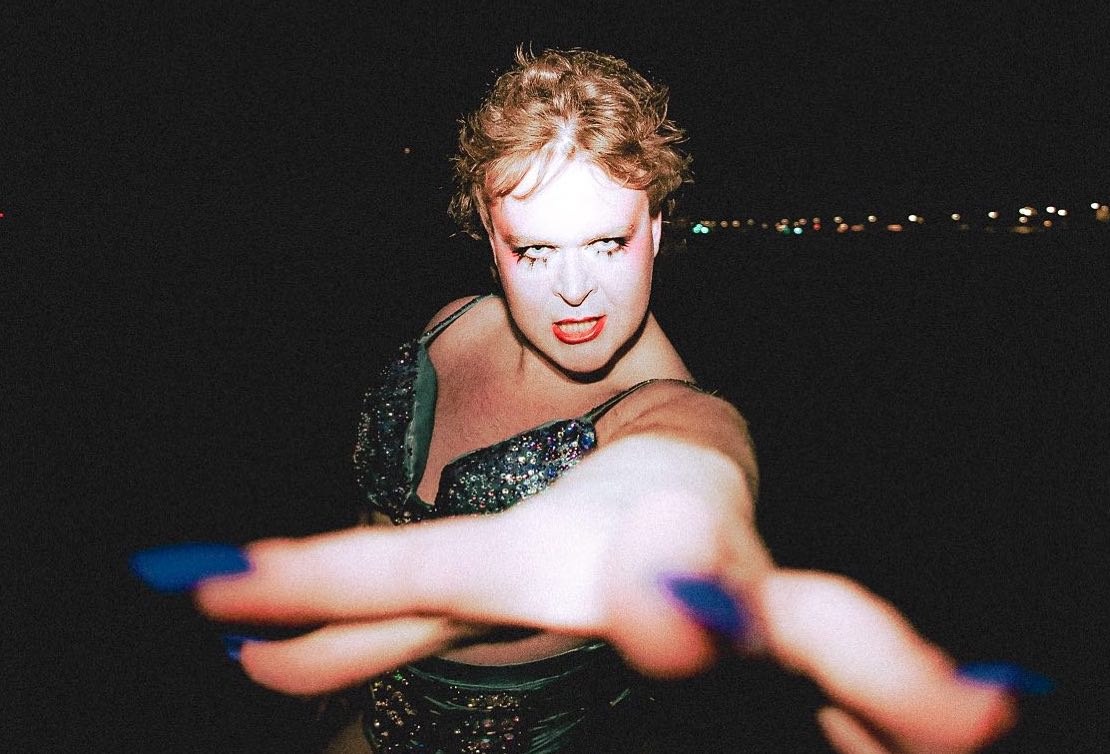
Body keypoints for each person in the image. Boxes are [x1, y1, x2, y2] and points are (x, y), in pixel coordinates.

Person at [132, 48, 1042, 754]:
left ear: (657, 228)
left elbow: (693, 456)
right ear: (489, 238)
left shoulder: (665, 407)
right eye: (535, 251)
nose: (574, 290)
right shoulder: (449, 327)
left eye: (608, 243)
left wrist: (689, 510)